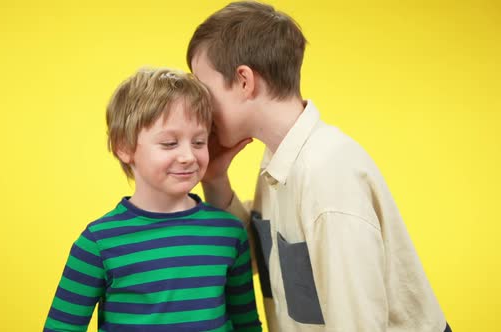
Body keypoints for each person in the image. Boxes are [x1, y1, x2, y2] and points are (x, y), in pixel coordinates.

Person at [187, 1, 450, 331]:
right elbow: (254, 259)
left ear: (244, 81)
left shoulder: (327, 174)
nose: (200, 108)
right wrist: (215, 179)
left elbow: (357, 324)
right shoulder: (280, 160)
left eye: (204, 89)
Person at [43, 68, 262, 332]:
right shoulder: (97, 243)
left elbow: (247, 325)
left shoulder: (229, 233)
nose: (188, 156)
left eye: (199, 141)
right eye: (170, 143)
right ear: (123, 146)